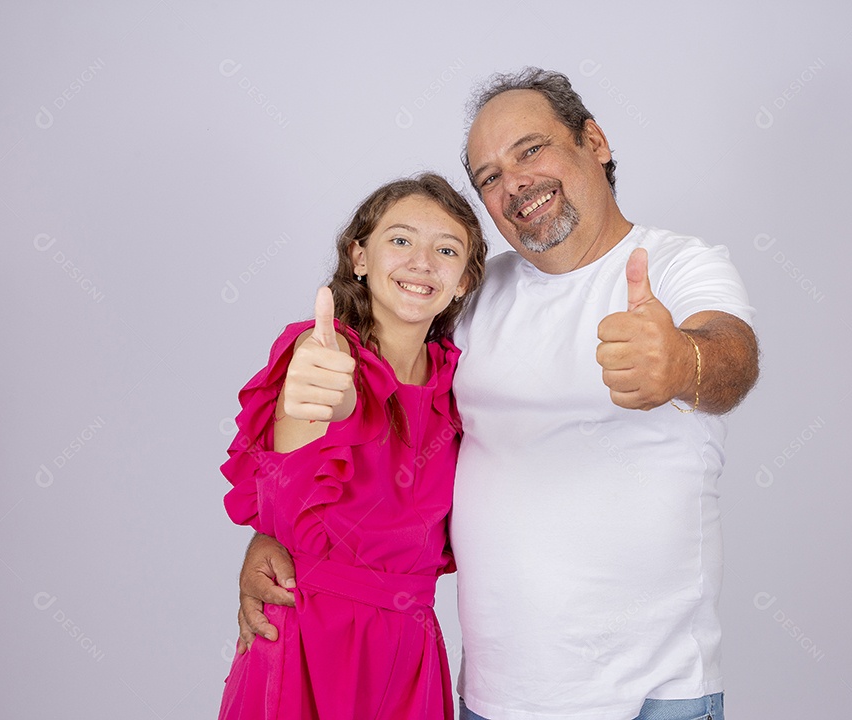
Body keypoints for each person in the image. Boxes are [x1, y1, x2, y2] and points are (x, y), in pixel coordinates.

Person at [237, 69, 759, 720]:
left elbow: (732, 356)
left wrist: (685, 362)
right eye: (488, 176)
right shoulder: (469, 293)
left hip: (653, 697)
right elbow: (374, 434)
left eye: (530, 150)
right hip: (494, 699)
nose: (513, 183)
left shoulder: (677, 264)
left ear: (593, 140)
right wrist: (277, 537)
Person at [217, 173, 487, 720]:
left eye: (447, 249)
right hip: (310, 643)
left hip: (409, 654)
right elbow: (296, 461)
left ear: (463, 281)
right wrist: (320, 394)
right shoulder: (325, 353)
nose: (421, 262)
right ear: (358, 256)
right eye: (401, 240)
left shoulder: (457, 383)